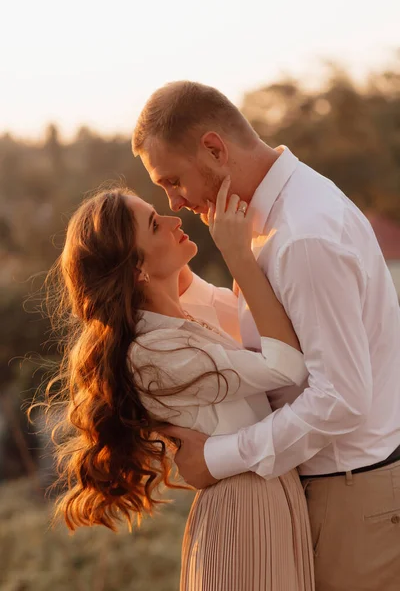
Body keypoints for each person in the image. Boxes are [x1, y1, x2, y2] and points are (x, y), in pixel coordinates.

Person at [132, 80, 400, 591]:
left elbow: (340, 400)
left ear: (214, 149)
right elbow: (278, 327)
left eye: (173, 181)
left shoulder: (302, 235)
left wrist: (216, 457)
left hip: (351, 498)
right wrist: (175, 288)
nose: (175, 201)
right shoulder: (273, 217)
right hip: (334, 491)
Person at [41, 184, 314, 590]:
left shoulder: (177, 325)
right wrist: (237, 256)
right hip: (243, 511)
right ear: (137, 269)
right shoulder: (154, 352)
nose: (174, 220)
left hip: (266, 500)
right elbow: (288, 365)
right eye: (155, 224)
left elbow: (232, 309)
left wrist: (183, 269)